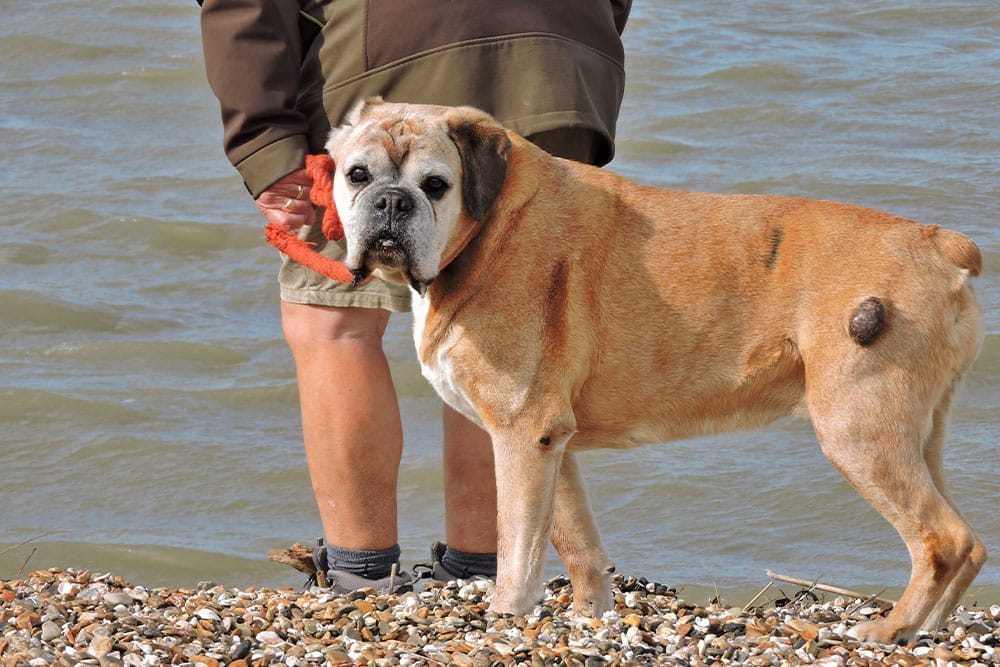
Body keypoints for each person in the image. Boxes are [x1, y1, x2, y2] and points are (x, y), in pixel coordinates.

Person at [199, 0, 631, 592]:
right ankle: (481, 573)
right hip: (564, 60)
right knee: (500, 331)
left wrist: (263, 140)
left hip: (390, 55)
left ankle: (360, 575)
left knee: (333, 319)